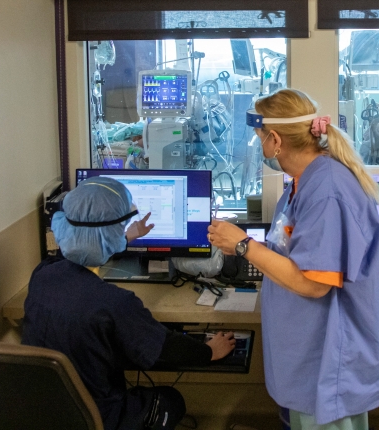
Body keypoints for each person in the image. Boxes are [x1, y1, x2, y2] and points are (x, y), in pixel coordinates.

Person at [208, 89, 379, 430]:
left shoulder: (327, 191)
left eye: (259, 137)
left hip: (329, 363)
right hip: (307, 351)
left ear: (275, 140)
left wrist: (245, 246)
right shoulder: (305, 181)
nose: (258, 144)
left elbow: (314, 282)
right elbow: (290, 249)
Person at [22, 177, 236, 430]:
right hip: (99, 418)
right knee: (172, 399)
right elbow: (166, 349)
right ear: (110, 235)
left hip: (44, 412)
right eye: (120, 225)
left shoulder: (42, 274)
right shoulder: (114, 303)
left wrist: (124, 238)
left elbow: (85, 243)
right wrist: (210, 351)